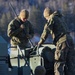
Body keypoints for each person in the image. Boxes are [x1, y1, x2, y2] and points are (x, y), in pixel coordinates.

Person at [38, 7, 74, 75]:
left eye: (46, 18)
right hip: (70, 40)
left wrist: (41, 42)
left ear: (47, 15)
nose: (46, 19)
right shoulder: (60, 18)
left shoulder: (52, 18)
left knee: (58, 64)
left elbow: (46, 30)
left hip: (62, 41)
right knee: (70, 64)